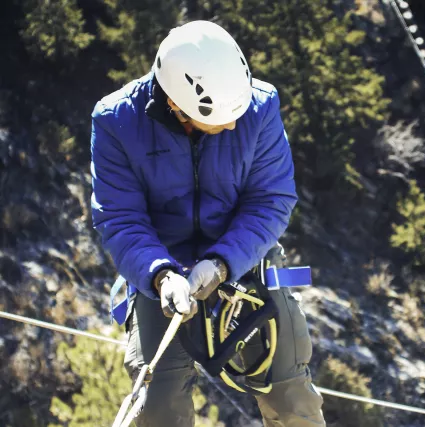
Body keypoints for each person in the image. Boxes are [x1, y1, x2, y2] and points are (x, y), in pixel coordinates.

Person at [90, 20, 325, 427]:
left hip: (244, 258)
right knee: (157, 404)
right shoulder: (116, 122)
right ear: (178, 106)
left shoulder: (259, 106)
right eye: (219, 120)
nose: (233, 125)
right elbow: (121, 218)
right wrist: (161, 276)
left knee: (290, 393)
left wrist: (221, 264)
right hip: (162, 270)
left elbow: (271, 200)